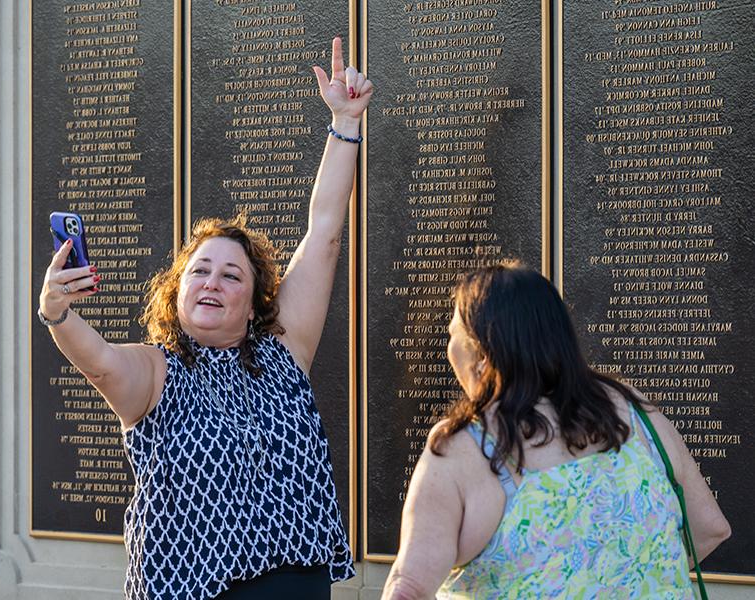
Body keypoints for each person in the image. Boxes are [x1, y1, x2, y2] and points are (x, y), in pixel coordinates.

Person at [37, 37, 372, 600]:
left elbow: (324, 231)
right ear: (177, 289)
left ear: (256, 297)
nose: (213, 282)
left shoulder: (282, 352)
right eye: (200, 271)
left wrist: (344, 123)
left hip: (292, 582)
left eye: (231, 275)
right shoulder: (153, 372)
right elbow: (98, 363)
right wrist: (55, 312)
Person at [381, 261, 731, 599]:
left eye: (451, 334)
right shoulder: (635, 411)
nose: (447, 348)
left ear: (481, 354)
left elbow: (408, 589)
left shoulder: (465, 447)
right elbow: (710, 528)